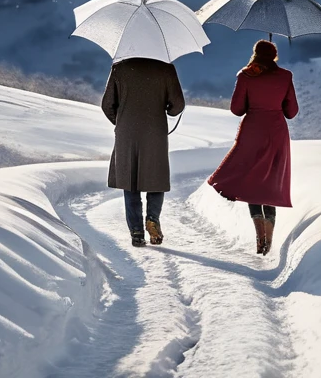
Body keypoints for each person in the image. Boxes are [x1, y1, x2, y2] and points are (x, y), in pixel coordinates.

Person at [207, 39, 298, 255]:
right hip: (276, 133)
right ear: (274, 56)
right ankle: (270, 235)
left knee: (252, 182)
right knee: (271, 183)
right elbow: (291, 112)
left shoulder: (246, 75)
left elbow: (237, 109)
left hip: (252, 132)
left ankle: (260, 236)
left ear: (255, 54)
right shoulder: (285, 76)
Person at [102, 57, 185, 247]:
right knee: (155, 178)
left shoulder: (119, 68)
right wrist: (165, 109)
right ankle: (153, 219)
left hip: (126, 133)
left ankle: (136, 232)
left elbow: (107, 105)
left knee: (130, 181)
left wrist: (122, 121)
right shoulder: (166, 69)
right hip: (155, 131)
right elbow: (177, 106)